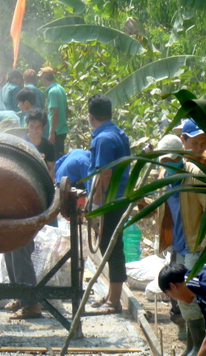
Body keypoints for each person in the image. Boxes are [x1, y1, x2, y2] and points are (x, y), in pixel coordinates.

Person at [155, 134, 206, 354]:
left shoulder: (194, 176)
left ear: (181, 156)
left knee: (192, 296)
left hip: (195, 245)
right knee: (183, 300)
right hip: (177, 245)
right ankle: (192, 345)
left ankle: (198, 346)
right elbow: (161, 207)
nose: (167, 164)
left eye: (171, 160)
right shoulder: (163, 176)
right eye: (163, 160)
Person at [87, 94, 131, 314]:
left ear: (90, 116)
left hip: (110, 202)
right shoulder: (117, 133)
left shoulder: (103, 139)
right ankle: (111, 294)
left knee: (111, 248)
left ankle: (115, 300)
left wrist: (96, 208)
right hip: (119, 198)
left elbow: (104, 175)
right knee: (109, 246)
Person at [159, 263, 206, 356]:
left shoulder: (197, 282)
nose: (174, 299)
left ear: (173, 286)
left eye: (169, 294)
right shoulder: (200, 297)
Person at [38, 67, 68, 159]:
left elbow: (55, 113)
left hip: (56, 131)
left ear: (44, 78)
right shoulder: (60, 88)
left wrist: (52, 133)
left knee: (55, 159)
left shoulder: (52, 92)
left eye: (41, 78)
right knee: (60, 156)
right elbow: (66, 109)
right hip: (62, 129)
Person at [23, 108, 55, 180]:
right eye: (31, 126)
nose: (34, 130)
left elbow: (51, 168)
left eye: (38, 127)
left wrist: (48, 184)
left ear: (43, 127)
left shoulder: (49, 145)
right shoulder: (22, 144)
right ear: (27, 126)